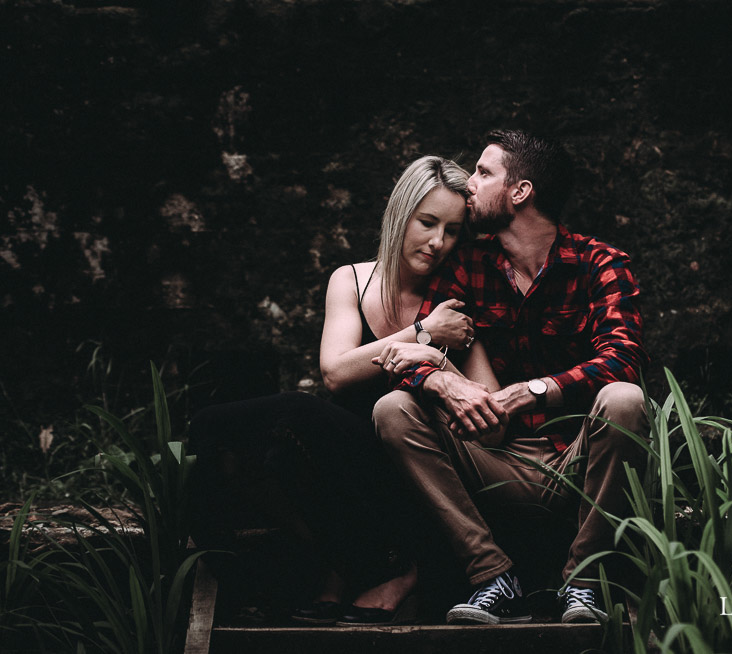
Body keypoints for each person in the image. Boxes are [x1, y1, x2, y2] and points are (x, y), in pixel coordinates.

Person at [372, 129, 649, 625]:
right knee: (392, 408)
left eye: (483, 172)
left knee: (625, 398)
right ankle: (492, 577)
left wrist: (539, 390)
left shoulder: (599, 264)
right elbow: (416, 356)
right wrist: (440, 380)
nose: (469, 184)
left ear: (520, 192)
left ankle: (583, 584)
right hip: (493, 455)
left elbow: (624, 357)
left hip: (576, 459)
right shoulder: (467, 264)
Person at [188, 155, 479, 626]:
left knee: (293, 417)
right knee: (222, 434)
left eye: (452, 230)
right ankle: (246, 575)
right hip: (343, 456)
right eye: (427, 223)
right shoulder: (352, 279)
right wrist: (424, 334)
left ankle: (392, 571)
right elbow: (337, 372)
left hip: (410, 463)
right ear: (400, 213)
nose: (437, 242)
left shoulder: (457, 292)